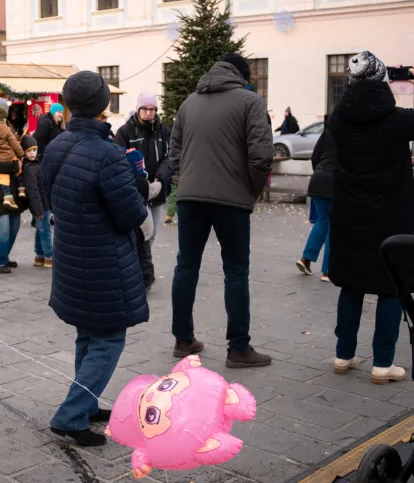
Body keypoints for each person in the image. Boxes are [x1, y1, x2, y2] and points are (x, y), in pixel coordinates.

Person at [39, 70, 147, 447]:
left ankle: (84, 404)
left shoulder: (56, 146)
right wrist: (138, 178)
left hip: (71, 257)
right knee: (108, 339)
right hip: (105, 263)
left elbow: (51, 200)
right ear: (103, 105)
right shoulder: (109, 154)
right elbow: (132, 215)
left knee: (88, 334)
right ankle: (71, 415)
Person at [168, 54, 274, 368]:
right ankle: (239, 348)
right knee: (236, 271)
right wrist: (250, 191)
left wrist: (185, 178)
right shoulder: (250, 102)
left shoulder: (189, 103)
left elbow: (175, 152)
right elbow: (261, 155)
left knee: (186, 267)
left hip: (190, 198)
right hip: (231, 201)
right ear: (242, 76)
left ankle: (183, 340)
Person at [329, 52, 414, 384]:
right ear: (381, 81)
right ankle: (383, 363)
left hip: (349, 218)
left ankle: (343, 356)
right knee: (391, 289)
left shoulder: (337, 119)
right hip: (391, 220)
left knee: (350, 286)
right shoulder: (399, 121)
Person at [114, 93, 173, 291]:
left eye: (152, 109)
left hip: (157, 190)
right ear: (138, 110)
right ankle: (137, 272)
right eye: (145, 109)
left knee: (152, 233)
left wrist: (159, 178)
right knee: (140, 234)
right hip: (135, 192)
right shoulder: (126, 131)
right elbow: (118, 159)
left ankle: (142, 269)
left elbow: (170, 157)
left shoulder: (164, 131)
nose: (148, 113)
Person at [296, 114, 335, 282]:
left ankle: (306, 259)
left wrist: (319, 171)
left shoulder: (327, 132)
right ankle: (328, 270)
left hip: (318, 180)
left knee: (322, 221)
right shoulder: (351, 133)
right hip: (336, 183)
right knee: (333, 225)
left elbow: (315, 156)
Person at [20, 135, 52, 268]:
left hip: (42, 204)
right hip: (40, 205)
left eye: (34, 150)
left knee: (40, 230)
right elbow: (33, 192)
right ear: (24, 152)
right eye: (29, 151)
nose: (32, 153)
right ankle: (49, 256)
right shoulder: (30, 169)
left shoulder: (35, 165)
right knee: (45, 230)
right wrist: (39, 210)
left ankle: (39, 256)